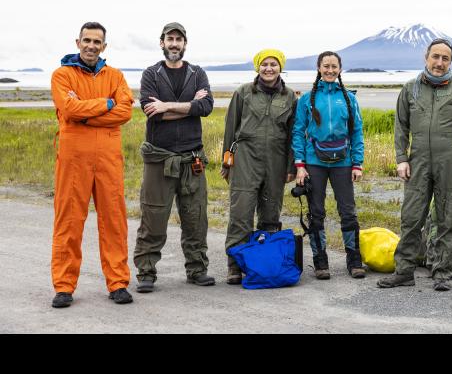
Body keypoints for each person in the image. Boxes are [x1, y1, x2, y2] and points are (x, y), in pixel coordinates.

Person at [377, 38, 452, 292]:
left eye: (445, 58)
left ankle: (442, 272)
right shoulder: (410, 89)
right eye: (435, 57)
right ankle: (404, 271)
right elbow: (401, 126)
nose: (439, 63)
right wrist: (401, 158)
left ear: (450, 62)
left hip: (450, 162)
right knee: (411, 217)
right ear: (426, 58)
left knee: (448, 218)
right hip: (418, 162)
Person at [50, 22, 134, 308]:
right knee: (69, 222)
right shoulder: (62, 75)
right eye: (86, 40)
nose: (91, 46)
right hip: (73, 159)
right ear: (77, 42)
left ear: (104, 47)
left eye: (97, 42)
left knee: (114, 222)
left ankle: (118, 283)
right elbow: (69, 108)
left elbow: (125, 111)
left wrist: (86, 113)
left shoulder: (116, 75)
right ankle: (63, 287)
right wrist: (106, 103)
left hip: (109, 160)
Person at [133, 23, 216, 292]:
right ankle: (146, 272)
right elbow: (151, 112)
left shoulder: (197, 73)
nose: (174, 43)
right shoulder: (151, 74)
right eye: (170, 39)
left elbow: (206, 107)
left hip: (192, 158)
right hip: (159, 158)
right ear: (161, 43)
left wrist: (167, 105)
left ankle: (197, 269)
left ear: (185, 44)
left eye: (179, 39)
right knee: (153, 216)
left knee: (196, 218)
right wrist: (190, 107)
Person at [222, 49, 298, 285]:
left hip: (276, 161)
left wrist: (291, 166)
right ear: (257, 67)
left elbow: (293, 135)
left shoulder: (289, 97)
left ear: (280, 67)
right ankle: (235, 266)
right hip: (245, 159)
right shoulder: (243, 93)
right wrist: (227, 163)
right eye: (264, 64)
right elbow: (230, 129)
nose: (269, 68)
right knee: (241, 215)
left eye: (273, 64)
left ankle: (265, 264)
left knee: (270, 215)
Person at [292, 51, 365, 280]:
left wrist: (357, 163)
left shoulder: (349, 99)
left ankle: (354, 259)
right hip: (314, 162)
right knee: (316, 212)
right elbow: (297, 132)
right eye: (326, 66)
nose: (330, 70)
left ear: (340, 69)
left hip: (343, 162)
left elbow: (356, 132)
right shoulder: (306, 99)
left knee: (348, 212)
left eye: (334, 66)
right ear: (319, 68)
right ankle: (320, 261)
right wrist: (300, 165)